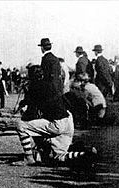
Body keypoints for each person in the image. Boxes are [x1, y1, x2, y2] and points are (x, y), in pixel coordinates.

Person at [12, 38, 97, 166]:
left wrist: (23, 106)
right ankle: (85, 154)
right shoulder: (53, 85)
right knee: (58, 156)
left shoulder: (35, 88)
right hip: (69, 120)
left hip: (58, 124)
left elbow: (29, 116)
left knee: (21, 125)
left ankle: (29, 158)